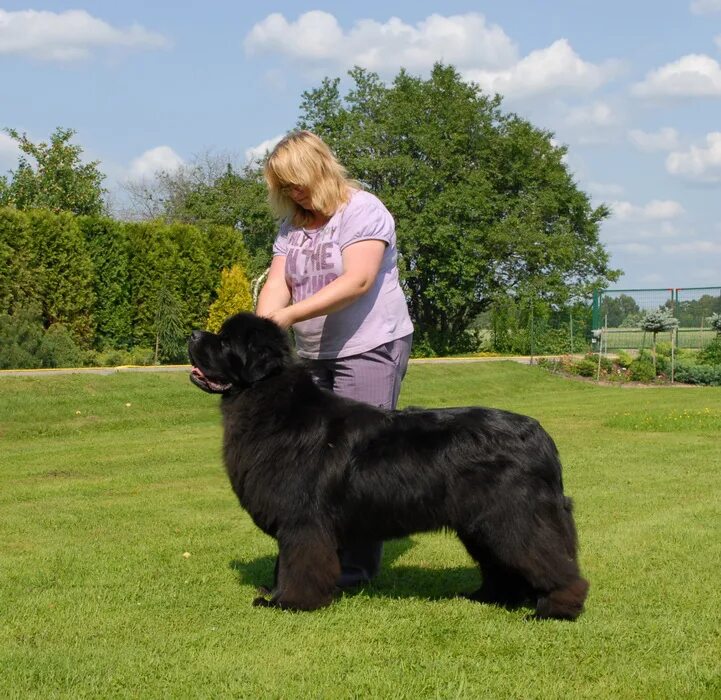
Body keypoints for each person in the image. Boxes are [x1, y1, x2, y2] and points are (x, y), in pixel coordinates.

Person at [256, 130, 414, 588]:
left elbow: (358, 281)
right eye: (282, 187)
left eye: (296, 182)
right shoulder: (293, 226)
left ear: (319, 169)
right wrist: (263, 326)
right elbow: (277, 283)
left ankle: (355, 569)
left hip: (369, 346)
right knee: (310, 465)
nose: (292, 193)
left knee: (360, 462)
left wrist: (286, 316)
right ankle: (310, 567)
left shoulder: (364, 211)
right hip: (313, 356)